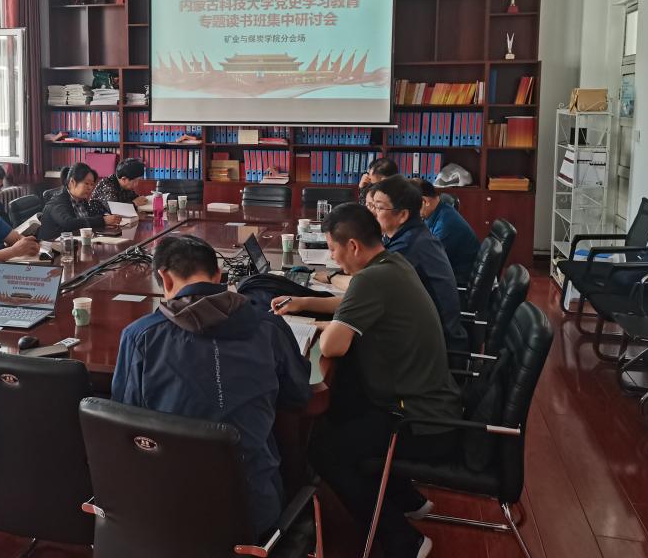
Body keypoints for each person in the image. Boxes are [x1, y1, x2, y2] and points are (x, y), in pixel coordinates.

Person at [271, 204, 461, 558]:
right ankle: (407, 499)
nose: (332, 257)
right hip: (432, 400)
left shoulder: (372, 280)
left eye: (333, 249)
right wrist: (302, 302)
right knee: (343, 408)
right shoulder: (392, 264)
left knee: (324, 450)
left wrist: (315, 326)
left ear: (353, 246)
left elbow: (333, 346)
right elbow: (349, 303)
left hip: (419, 419)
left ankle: (406, 542)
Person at [113, 235, 311, 538]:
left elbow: (124, 417)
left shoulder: (139, 336)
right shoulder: (269, 328)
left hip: (164, 514)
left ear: (165, 279)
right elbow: (298, 396)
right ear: (219, 276)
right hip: (253, 513)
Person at [373, 176, 468, 353]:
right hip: (430, 333)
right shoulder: (413, 234)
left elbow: (368, 286)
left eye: (379, 207)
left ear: (403, 215)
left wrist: (331, 278)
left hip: (435, 346)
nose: (374, 213)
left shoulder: (408, 249)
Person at [411, 178, 480, 286]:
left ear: (425, 202)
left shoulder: (444, 225)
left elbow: (429, 264)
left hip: (458, 280)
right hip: (449, 270)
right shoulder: (439, 210)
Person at [38, 162, 122, 241]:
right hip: (53, 246)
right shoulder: (57, 202)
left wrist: (106, 220)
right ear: (72, 182)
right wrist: (103, 220)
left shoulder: (82, 200)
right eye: (86, 183)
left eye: (92, 184)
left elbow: (88, 219)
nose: (90, 188)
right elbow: (69, 223)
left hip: (76, 242)